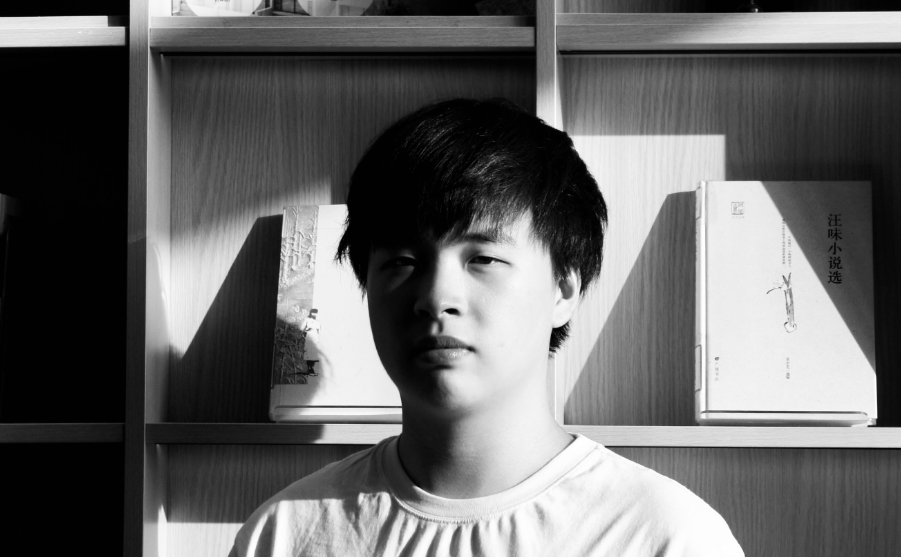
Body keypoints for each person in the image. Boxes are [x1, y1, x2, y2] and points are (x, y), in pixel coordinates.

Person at [230, 98, 743, 556]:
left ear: (563, 289)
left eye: (483, 259)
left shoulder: (664, 537)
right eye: (403, 261)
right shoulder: (284, 534)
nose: (436, 298)